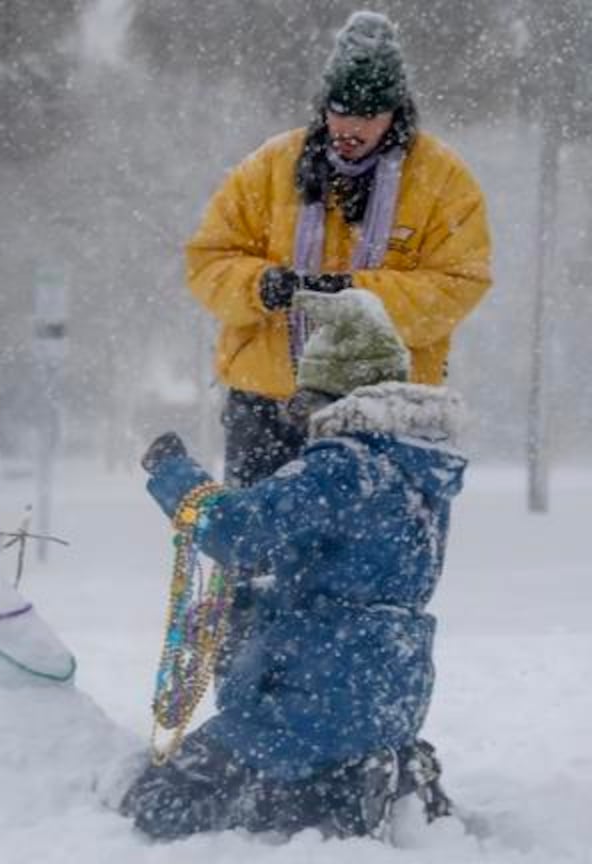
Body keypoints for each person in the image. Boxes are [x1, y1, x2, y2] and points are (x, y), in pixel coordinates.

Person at [185, 8, 491, 692]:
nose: (349, 128)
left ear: (397, 114)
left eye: (368, 115)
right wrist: (261, 286)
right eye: (338, 110)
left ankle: (345, 721)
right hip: (268, 404)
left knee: (359, 581)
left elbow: (460, 283)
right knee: (254, 571)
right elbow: (206, 261)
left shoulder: (444, 182)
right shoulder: (270, 167)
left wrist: (350, 293)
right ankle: (249, 709)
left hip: (381, 421)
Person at [120, 289, 465, 841]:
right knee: (291, 793)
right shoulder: (418, 472)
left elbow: (239, 533)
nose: (301, 423)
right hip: (389, 688)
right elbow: (355, 576)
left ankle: (345, 782)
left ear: (336, 396)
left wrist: (172, 472)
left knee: (158, 804)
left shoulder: (344, 465)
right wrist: (250, 604)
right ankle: (376, 770)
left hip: (310, 691)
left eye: (304, 404)